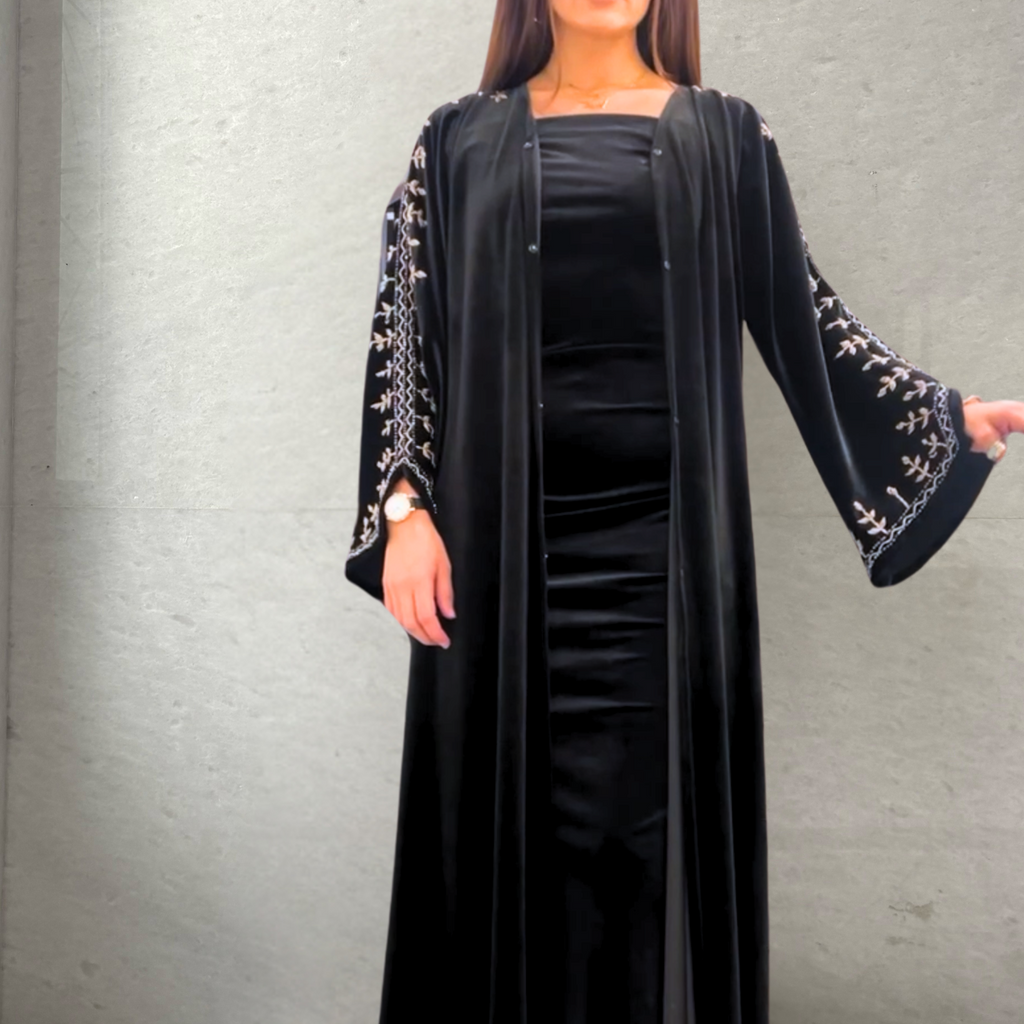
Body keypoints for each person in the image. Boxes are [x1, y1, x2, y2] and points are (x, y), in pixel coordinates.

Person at [344, 1, 1024, 1021]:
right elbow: (407, 332)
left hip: (663, 563)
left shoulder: (726, 136)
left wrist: (941, 418)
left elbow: (803, 313)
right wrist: (405, 511)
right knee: (500, 838)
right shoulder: (453, 142)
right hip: (494, 559)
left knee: (647, 854)